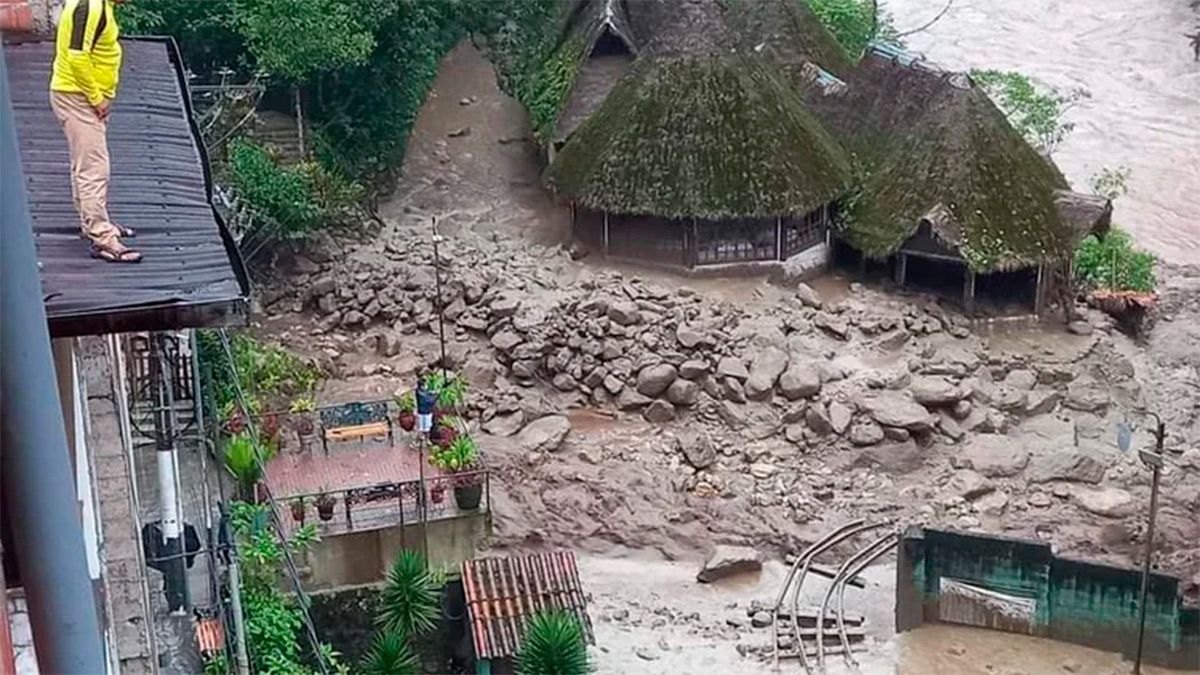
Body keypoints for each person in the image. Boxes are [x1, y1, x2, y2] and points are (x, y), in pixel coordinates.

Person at [50, 0, 141, 263]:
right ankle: (103, 239)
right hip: (77, 96)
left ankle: (93, 224)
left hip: (77, 95)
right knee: (94, 168)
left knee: (84, 163)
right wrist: (96, 98)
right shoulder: (89, 7)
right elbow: (77, 56)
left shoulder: (99, 5)